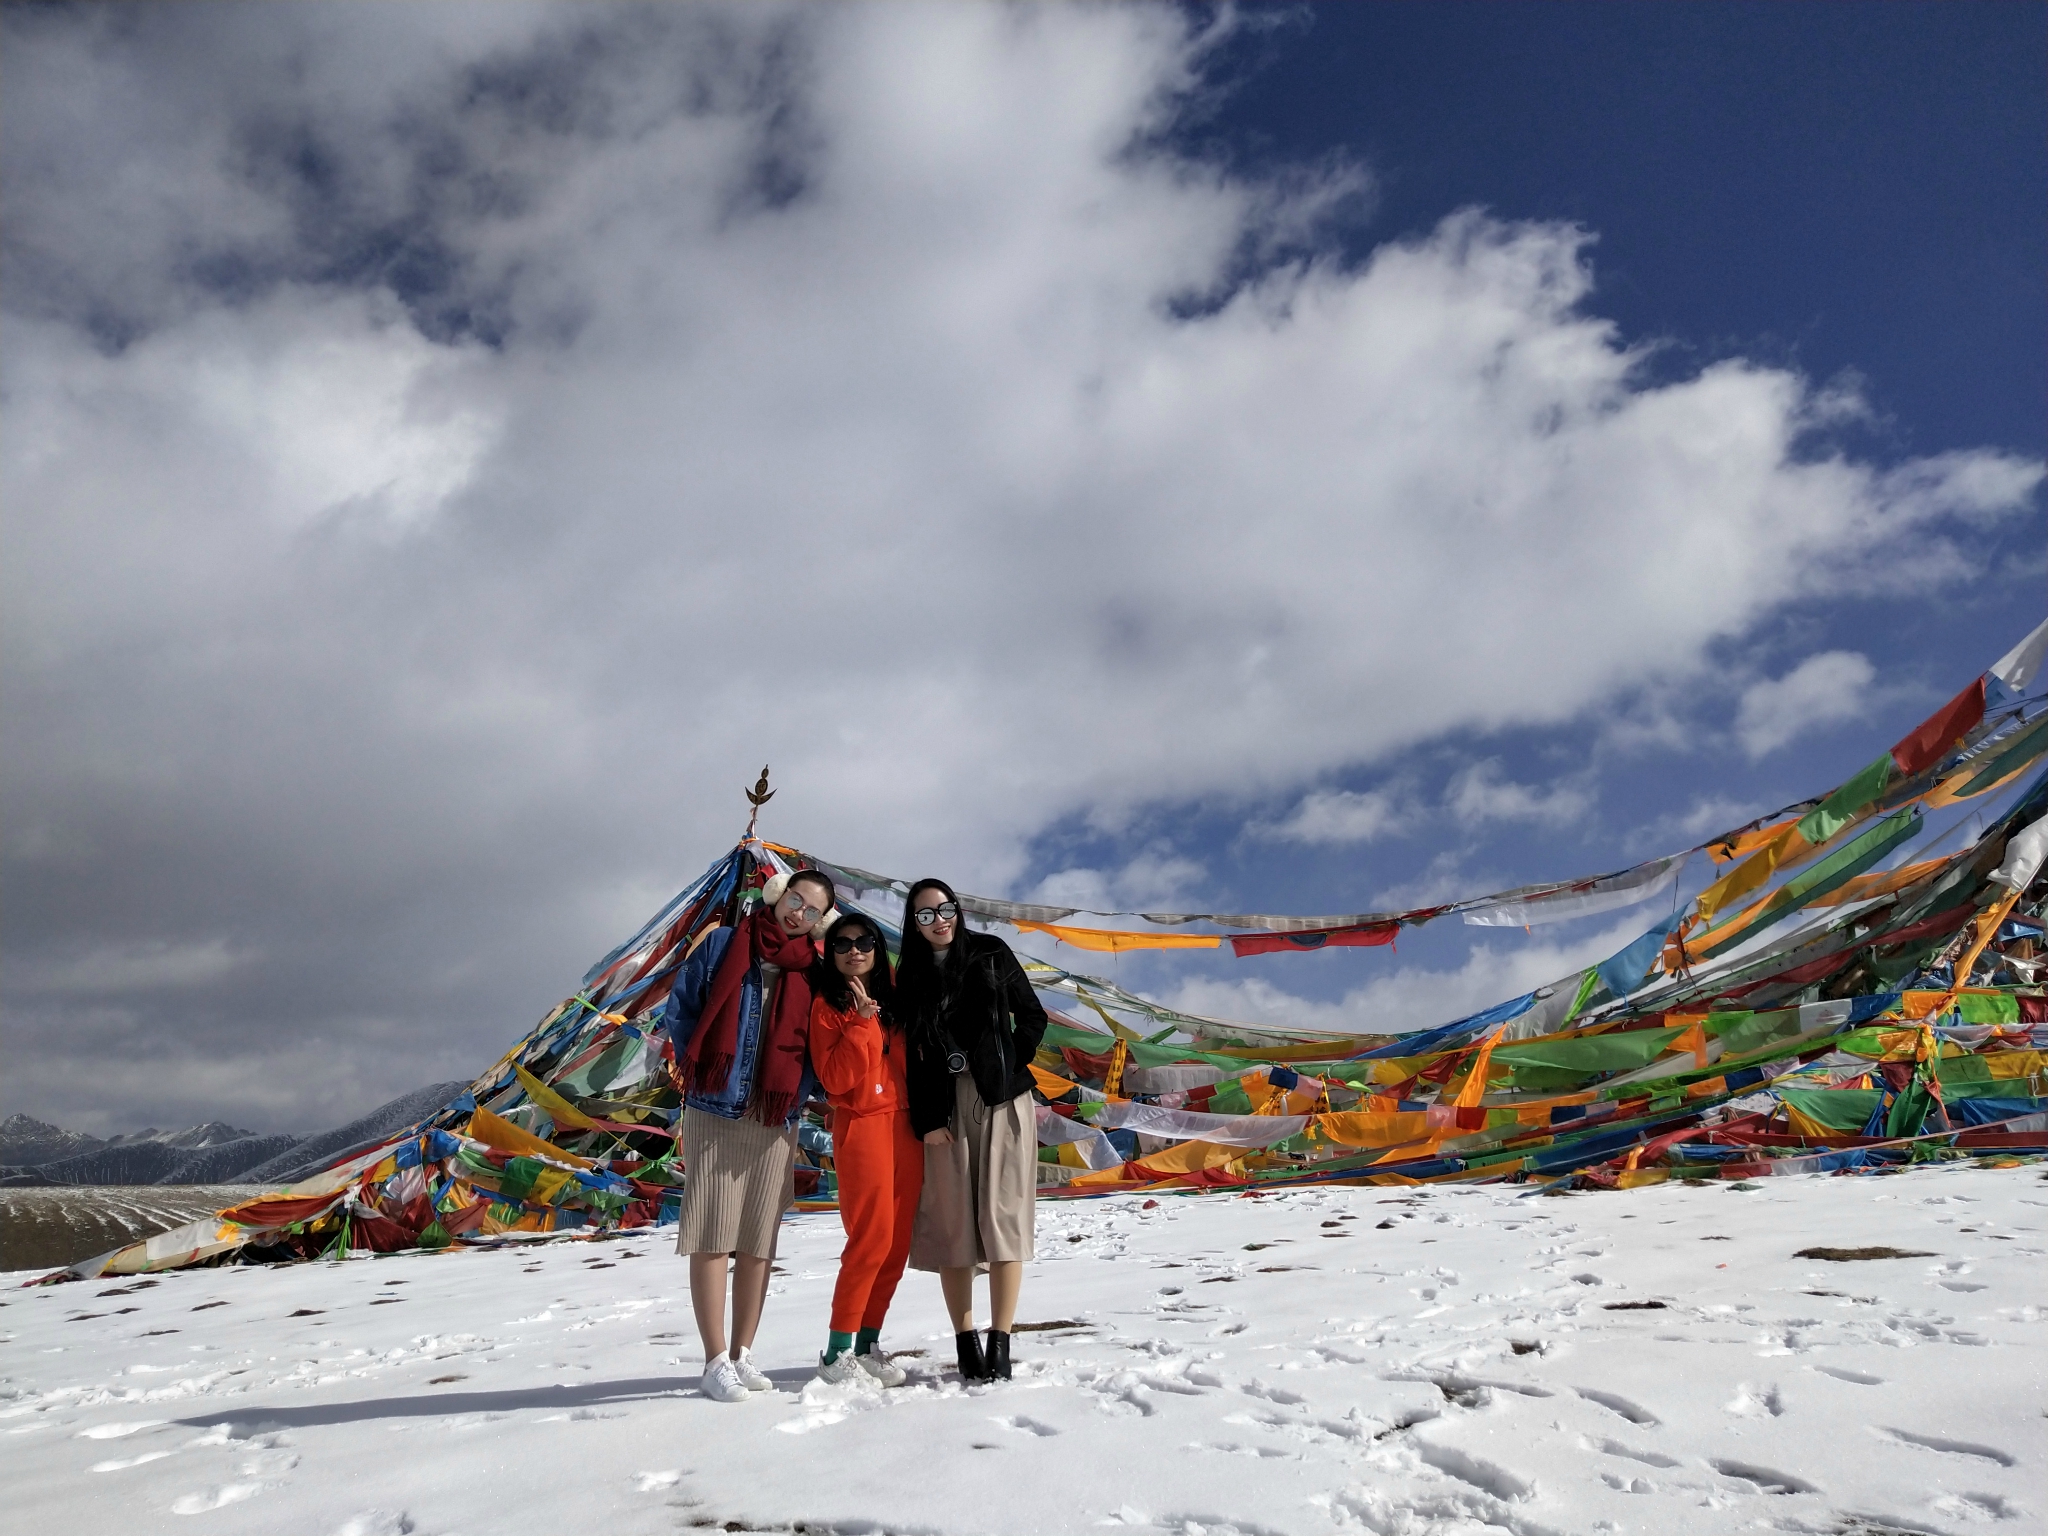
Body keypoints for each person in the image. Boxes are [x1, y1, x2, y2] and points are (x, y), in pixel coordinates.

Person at [665, 866, 836, 1403]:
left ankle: (742, 1353)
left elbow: (814, 1047)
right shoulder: (722, 945)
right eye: (796, 900)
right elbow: (681, 1009)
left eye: (812, 910)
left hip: (773, 1115)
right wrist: (705, 1066)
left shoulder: (812, 973)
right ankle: (715, 1359)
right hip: (715, 1106)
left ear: (817, 924)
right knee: (713, 1233)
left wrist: (797, 1090)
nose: (799, 913)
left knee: (759, 1239)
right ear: (778, 895)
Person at [899, 878, 1049, 1382]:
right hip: (945, 1109)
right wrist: (926, 1120)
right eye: (924, 915)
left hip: (1003, 1098)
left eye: (945, 909)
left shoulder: (990, 953)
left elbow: (1032, 1015)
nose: (938, 920)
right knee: (953, 1222)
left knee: (1004, 1216)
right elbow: (911, 1056)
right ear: (912, 925)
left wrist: (1008, 1060)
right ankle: (964, 1339)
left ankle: (1000, 1340)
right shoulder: (911, 975)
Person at [806, 912, 923, 1386]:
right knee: (870, 1239)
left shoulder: (897, 1002)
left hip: (905, 1128)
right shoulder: (827, 1007)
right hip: (861, 1127)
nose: (854, 950)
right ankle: (836, 1353)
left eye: (864, 941)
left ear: (878, 948)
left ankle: (867, 1343)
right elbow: (835, 1079)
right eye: (843, 944)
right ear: (831, 956)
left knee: (896, 1244)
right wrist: (860, 1022)